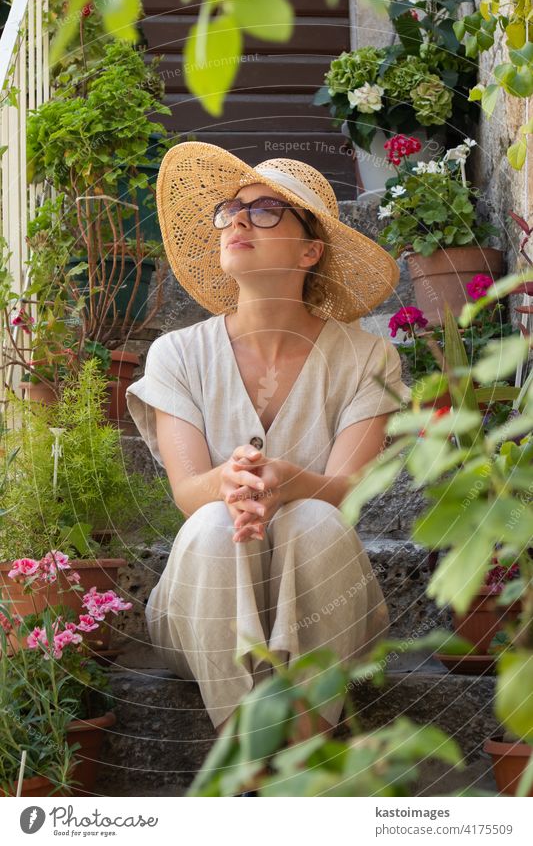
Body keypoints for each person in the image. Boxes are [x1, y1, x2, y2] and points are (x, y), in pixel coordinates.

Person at [125, 141, 412, 745]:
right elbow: (186, 492)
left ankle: (303, 760)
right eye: (230, 209)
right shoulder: (177, 353)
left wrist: (289, 481)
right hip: (201, 618)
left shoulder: (367, 357)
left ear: (311, 250)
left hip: (326, 604)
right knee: (207, 523)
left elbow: (348, 495)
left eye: (263, 211)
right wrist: (229, 483)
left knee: (316, 519)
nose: (236, 220)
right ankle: (249, 760)